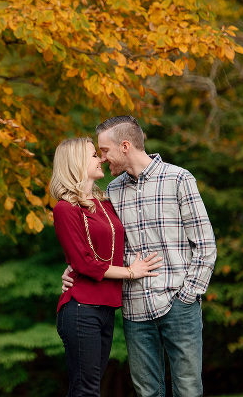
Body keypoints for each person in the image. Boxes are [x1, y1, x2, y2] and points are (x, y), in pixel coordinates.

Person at [62, 116, 217, 397]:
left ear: (124, 146)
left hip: (178, 304)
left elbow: (205, 244)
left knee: (189, 389)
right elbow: (97, 241)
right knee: (147, 392)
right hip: (134, 310)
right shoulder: (111, 191)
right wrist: (73, 268)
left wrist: (188, 295)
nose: (102, 158)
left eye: (104, 151)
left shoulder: (179, 179)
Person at [50, 137, 163, 397]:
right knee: (86, 390)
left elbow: (98, 254)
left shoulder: (106, 203)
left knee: (89, 388)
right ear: (76, 163)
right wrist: (131, 272)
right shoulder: (65, 209)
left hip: (106, 308)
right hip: (81, 308)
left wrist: (75, 268)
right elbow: (83, 262)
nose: (101, 158)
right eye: (93, 155)